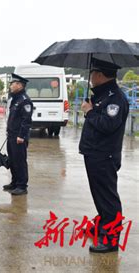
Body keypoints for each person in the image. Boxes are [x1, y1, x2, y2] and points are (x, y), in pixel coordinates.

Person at [79, 59, 129, 253]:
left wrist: (90, 112)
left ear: (100, 75)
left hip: (104, 155)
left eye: (93, 74)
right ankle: (102, 228)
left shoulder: (115, 98)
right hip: (95, 153)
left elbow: (108, 125)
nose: (91, 77)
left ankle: (111, 240)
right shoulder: (102, 96)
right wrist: (91, 108)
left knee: (108, 198)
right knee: (99, 196)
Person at [4, 73, 33, 196]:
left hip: (19, 137)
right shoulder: (15, 99)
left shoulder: (25, 101)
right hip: (11, 136)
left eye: (13, 84)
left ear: (20, 85)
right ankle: (15, 182)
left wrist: (21, 136)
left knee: (20, 161)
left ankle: (22, 186)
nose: (10, 86)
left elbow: (26, 121)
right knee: (13, 160)